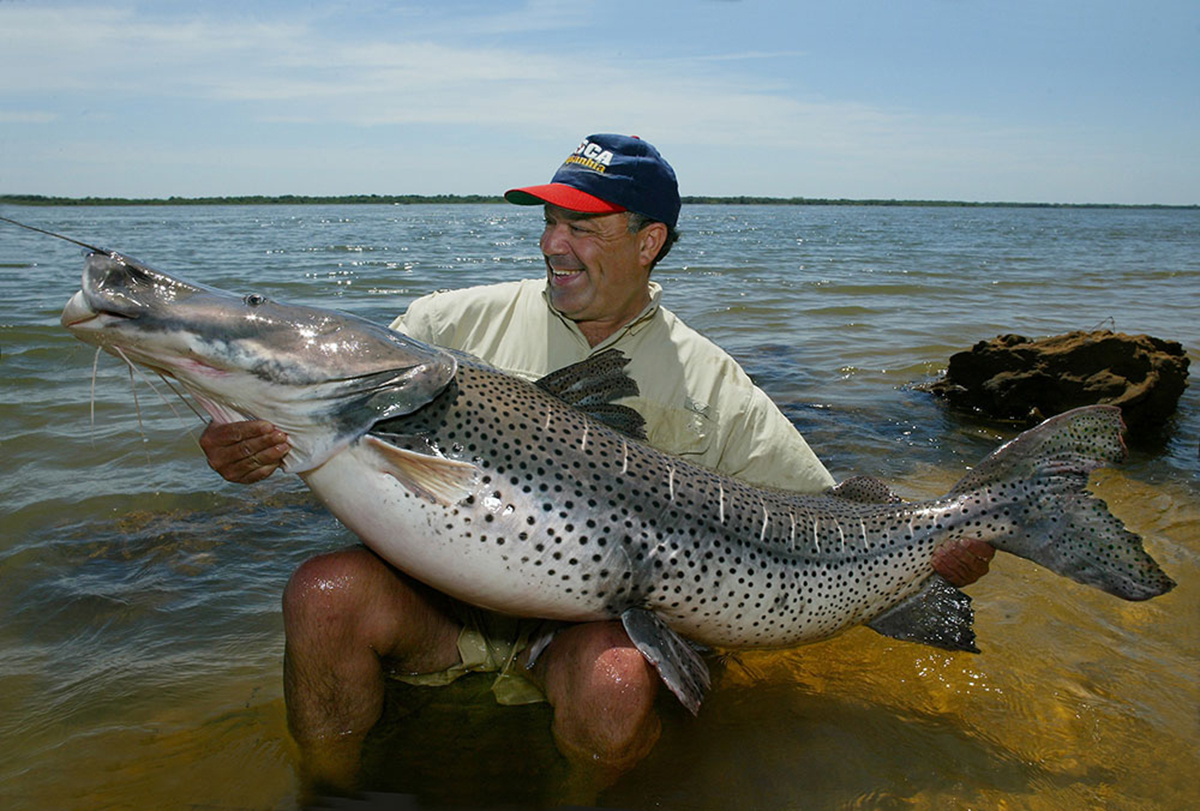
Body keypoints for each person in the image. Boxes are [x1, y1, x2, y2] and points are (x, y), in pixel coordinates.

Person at [199, 134, 995, 795]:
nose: (553, 243)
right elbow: (325, 417)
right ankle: (326, 792)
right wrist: (245, 448)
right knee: (322, 595)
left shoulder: (714, 381)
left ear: (649, 242)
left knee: (616, 688)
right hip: (436, 599)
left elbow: (823, 516)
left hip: (585, 624)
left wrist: (938, 543)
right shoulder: (442, 324)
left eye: (583, 226)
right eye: (550, 219)